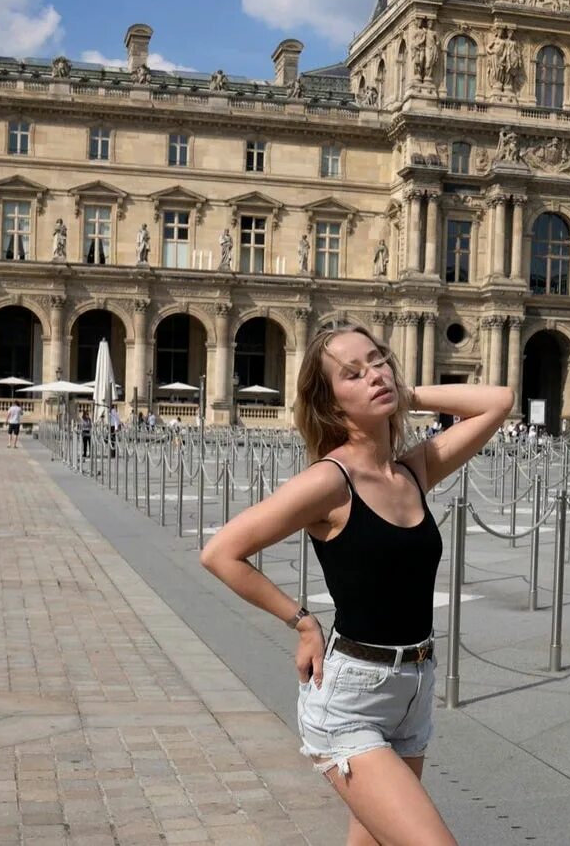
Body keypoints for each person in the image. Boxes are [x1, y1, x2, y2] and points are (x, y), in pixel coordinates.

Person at [201, 323, 512, 846]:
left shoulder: (411, 471)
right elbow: (221, 552)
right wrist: (300, 622)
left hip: (414, 686)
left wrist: (401, 394)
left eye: (377, 361)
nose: (374, 374)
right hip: (351, 699)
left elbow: (497, 401)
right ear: (330, 402)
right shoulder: (330, 481)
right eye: (353, 373)